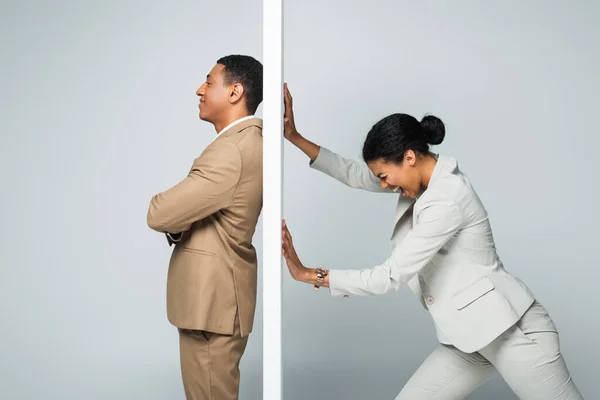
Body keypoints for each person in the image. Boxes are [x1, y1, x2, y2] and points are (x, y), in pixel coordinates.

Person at [280, 84, 582, 399]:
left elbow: (391, 276)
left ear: (409, 157)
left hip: (513, 332)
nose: (384, 186)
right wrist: (295, 137)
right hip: (469, 339)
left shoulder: (447, 197)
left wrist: (310, 274)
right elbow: (356, 173)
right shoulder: (420, 181)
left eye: (385, 176)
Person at [146, 55, 263, 400]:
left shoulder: (232, 150)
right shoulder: (248, 143)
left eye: (209, 82)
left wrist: (178, 222)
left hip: (212, 305)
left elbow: (160, 212)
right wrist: (183, 224)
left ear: (235, 92)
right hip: (218, 302)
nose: (200, 89)